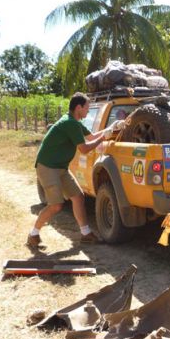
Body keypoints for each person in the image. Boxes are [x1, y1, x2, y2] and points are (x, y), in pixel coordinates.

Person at [27, 93, 123, 249]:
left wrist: (110, 129)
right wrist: (103, 138)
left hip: (60, 166)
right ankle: (33, 234)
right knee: (56, 205)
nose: (88, 110)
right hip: (48, 166)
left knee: (78, 196)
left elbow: (91, 137)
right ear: (79, 107)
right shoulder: (70, 123)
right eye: (87, 107)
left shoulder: (75, 122)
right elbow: (85, 148)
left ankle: (86, 234)